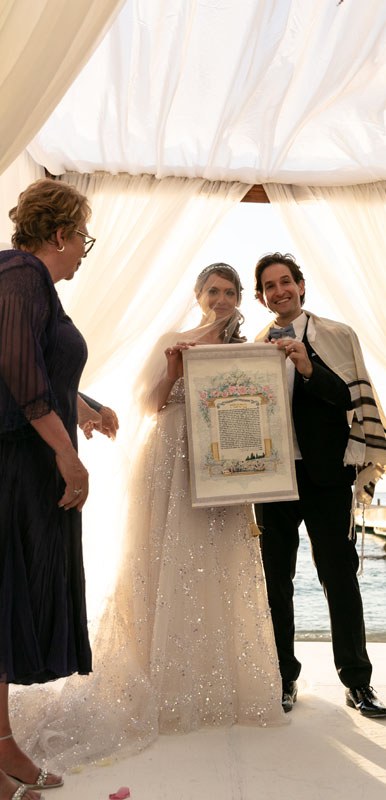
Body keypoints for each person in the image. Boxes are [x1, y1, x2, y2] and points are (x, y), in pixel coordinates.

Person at [11, 263, 284, 773]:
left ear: (240, 297)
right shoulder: (174, 340)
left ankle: (219, 682)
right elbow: (152, 405)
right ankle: (165, 679)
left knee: (219, 562)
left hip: (226, 463)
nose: (222, 299)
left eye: (230, 292)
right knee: (170, 560)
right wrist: (176, 371)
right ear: (199, 295)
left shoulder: (252, 346)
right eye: (213, 291)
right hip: (172, 460)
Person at [253, 253, 386, 716]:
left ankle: (358, 683)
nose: (279, 291)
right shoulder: (252, 346)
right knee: (275, 583)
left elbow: (349, 402)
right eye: (270, 286)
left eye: (286, 282)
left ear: (300, 285)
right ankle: (282, 677)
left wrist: (309, 367)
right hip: (271, 479)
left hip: (327, 476)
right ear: (261, 297)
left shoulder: (337, 335)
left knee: (339, 578)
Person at [0, 178, 97, 799]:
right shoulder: (21, 275)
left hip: (24, 461)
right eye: (84, 236)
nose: (85, 249)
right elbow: (14, 367)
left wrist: (85, 405)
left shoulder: (28, 284)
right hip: (15, 468)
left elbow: (32, 363)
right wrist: (69, 457)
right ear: (60, 234)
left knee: (6, 612)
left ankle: (4, 747)